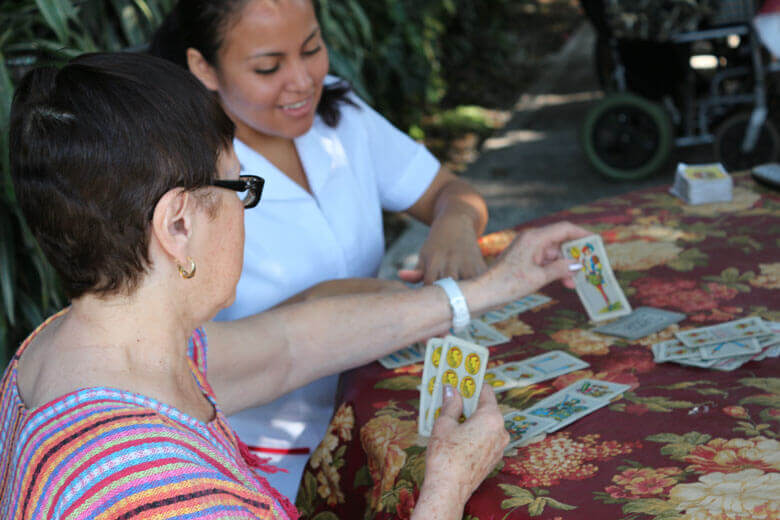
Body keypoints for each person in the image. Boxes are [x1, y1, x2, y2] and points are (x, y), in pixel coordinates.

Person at [1, 52, 588, 518]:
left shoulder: (67, 351)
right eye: (238, 188)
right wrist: (446, 489)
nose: (245, 212)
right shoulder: (161, 494)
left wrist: (493, 287)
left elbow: (288, 346)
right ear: (177, 225)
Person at [149, 0, 493, 495]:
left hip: (376, 411)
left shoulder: (339, 115)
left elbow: (451, 192)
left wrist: (455, 223)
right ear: (203, 66)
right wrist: (324, 300)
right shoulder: (179, 179)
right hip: (261, 459)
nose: (303, 81)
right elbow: (168, 361)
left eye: (312, 49)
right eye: (268, 67)